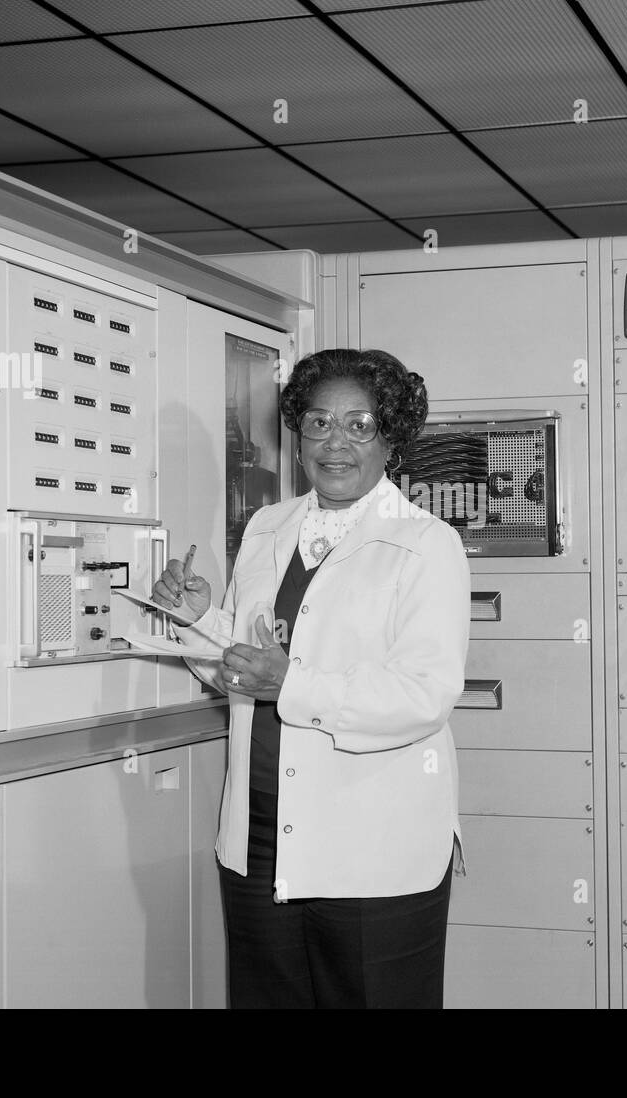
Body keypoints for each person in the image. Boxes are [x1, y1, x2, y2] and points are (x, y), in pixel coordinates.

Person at [153, 347, 471, 1009]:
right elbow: (241, 672)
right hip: (262, 834)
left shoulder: (425, 543)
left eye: (361, 426)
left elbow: (423, 694)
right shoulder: (268, 528)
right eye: (320, 423)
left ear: (392, 440)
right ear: (298, 433)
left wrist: (290, 685)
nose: (336, 443)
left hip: (371, 846)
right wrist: (196, 619)